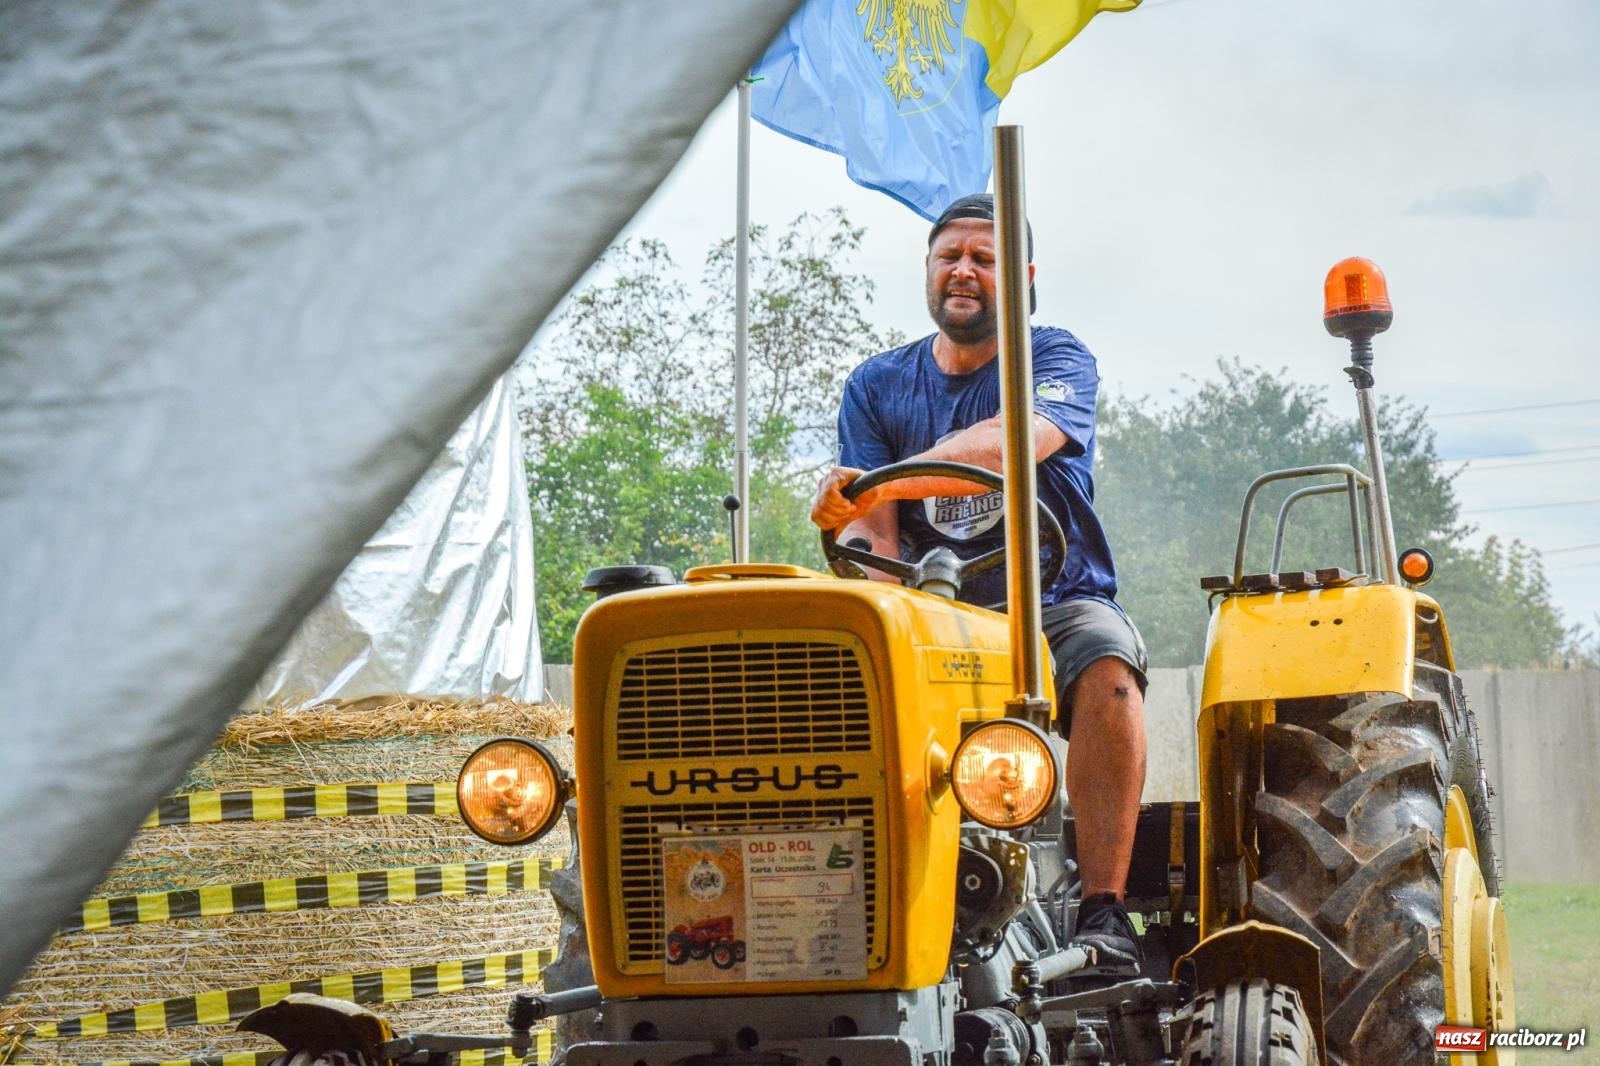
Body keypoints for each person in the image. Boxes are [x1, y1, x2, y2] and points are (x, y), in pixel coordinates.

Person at [809, 193, 1150, 974]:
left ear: (1022, 279)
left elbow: (1008, 443)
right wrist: (853, 528)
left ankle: (1104, 911)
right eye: (949, 256)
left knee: (1107, 661)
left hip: (1052, 603)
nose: (963, 270)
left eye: (984, 259)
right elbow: (872, 535)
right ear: (928, 270)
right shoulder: (877, 385)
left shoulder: (1054, 358)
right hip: (937, 613)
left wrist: (873, 484)